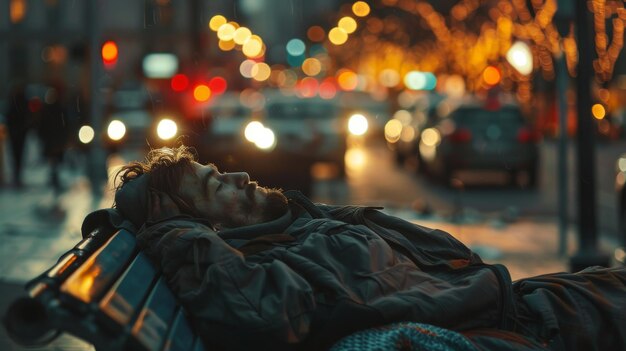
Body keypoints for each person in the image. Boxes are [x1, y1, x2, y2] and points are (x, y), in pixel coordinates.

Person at [102, 145, 625, 351]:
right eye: (218, 187)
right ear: (203, 228)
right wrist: (167, 229)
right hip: (522, 327)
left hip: (517, 302)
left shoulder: (294, 228)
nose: (239, 176)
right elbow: (255, 314)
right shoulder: (271, 268)